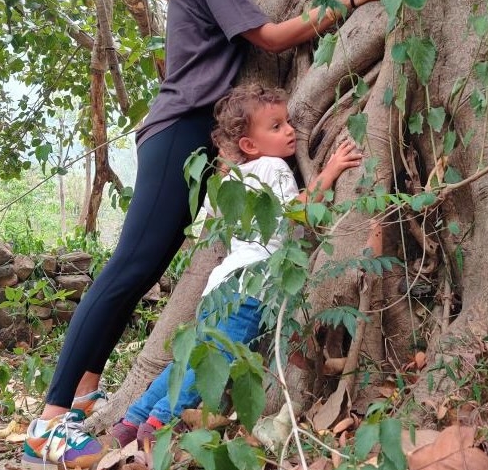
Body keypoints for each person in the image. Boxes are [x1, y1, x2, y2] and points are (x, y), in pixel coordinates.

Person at [22, 0, 398, 470]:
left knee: (140, 269)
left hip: (191, 138)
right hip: (178, 133)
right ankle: (47, 421)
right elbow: (271, 38)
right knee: (128, 268)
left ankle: (84, 397)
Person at [109, 83, 363, 449]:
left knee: (191, 357)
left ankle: (131, 421)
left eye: (287, 122)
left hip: (220, 286)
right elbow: (295, 213)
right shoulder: (274, 166)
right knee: (216, 359)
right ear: (249, 145)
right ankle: (158, 425)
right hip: (250, 289)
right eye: (276, 127)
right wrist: (333, 170)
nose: (290, 130)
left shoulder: (230, 179)